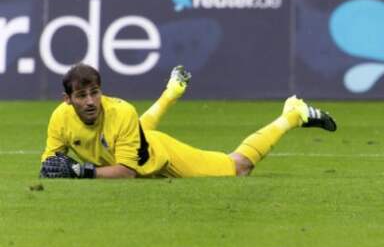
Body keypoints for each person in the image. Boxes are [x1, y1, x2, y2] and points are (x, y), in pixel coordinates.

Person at [39, 63, 337, 179]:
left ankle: (291, 115)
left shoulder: (121, 111)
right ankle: (172, 92)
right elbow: (50, 163)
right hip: (128, 141)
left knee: (238, 168)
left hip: (159, 158)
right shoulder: (60, 119)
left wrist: (80, 172)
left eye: (95, 93)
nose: (90, 101)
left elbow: (127, 173)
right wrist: (52, 167)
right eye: (81, 96)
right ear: (68, 99)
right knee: (130, 132)